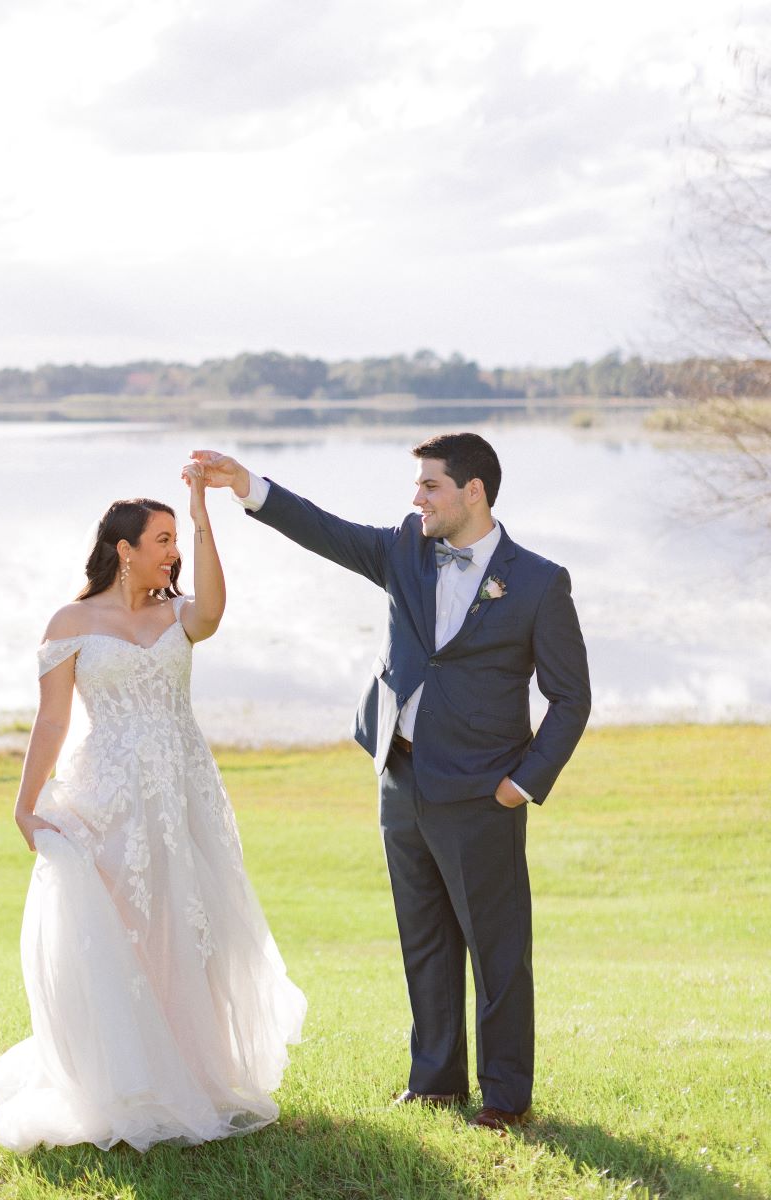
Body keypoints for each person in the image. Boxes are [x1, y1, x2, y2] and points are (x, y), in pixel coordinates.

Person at [191, 433, 590, 1132]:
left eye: (430, 486)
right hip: (399, 777)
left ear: (473, 492)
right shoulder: (405, 548)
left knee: (497, 951)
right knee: (425, 939)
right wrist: (247, 484)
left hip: (481, 793)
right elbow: (326, 531)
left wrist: (522, 785)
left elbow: (571, 697)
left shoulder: (537, 582)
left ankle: (505, 1097)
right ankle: (435, 1083)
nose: (417, 499)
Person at [0, 466, 306, 1154]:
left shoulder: (177, 614)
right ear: (124, 548)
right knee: (126, 934)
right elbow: (51, 722)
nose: (173, 552)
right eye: (161, 539)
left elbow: (215, 612)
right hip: (107, 797)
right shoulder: (70, 622)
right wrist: (26, 804)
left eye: (176, 541)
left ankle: (195, 1073)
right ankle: (125, 1081)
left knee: (190, 932)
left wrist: (200, 515)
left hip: (182, 790)